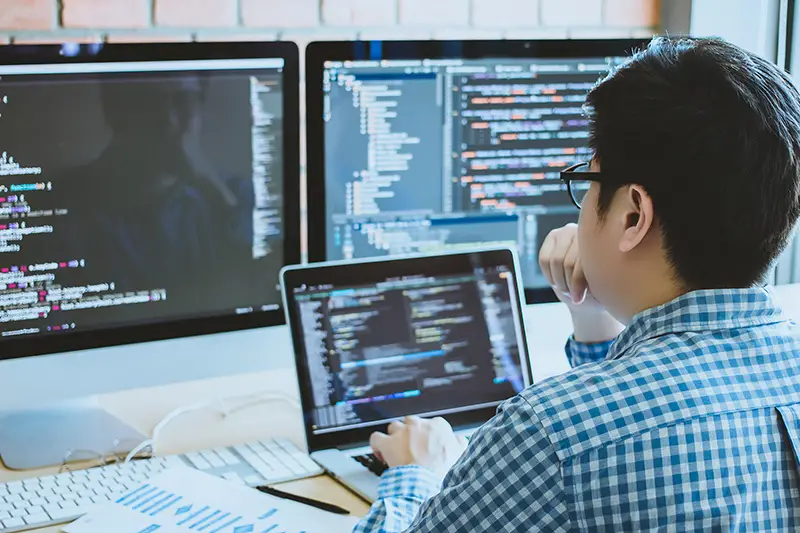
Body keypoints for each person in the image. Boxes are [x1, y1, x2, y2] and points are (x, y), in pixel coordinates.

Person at [353, 36, 800, 532]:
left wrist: (413, 475)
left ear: (632, 215)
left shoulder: (548, 434)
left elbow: (610, 426)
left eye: (587, 180)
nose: (583, 203)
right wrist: (595, 319)